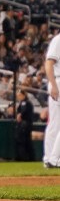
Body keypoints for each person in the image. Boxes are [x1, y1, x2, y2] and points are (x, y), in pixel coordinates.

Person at [44, 30, 60, 168]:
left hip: (57, 82)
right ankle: (54, 159)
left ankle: (49, 158)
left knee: (55, 123)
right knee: (55, 123)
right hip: (58, 81)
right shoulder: (58, 40)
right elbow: (49, 64)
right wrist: (54, 85)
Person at [15, 90, 35, 161]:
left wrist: (20, 115)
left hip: (24, 124)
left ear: (23, 95)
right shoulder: (26, 102)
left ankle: (24, 157)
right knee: (27, 141)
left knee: (23, 141)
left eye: (19, 95)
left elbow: (23, 112)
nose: (18, 97)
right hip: (27, 124)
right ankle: (30, 157)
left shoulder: (25, 102)